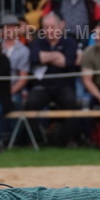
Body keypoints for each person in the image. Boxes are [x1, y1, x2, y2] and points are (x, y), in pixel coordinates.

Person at [25, 13, 79, 146]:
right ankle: (36, 140)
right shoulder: (37, 41)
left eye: (52, 27)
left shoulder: (70, 41)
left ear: (61, 26)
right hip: (43, 86)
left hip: (64, 85)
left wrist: (46, 57)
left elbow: (68, 61)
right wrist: (56, 55)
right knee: (30, 104)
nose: (49, 31)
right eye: (46, 27)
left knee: (71, 103)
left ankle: (67, 140)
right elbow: (35, 58)